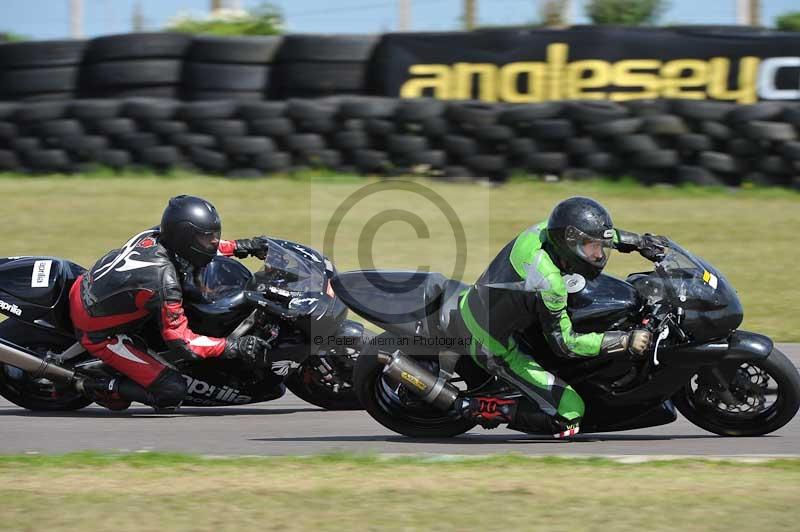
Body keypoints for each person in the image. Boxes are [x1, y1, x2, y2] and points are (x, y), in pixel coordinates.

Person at [457, 196, 668, 438]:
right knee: (570, 415)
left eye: (599, 246)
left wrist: (639, 242)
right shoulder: (549, 283)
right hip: (492, 342)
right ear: (569, 242)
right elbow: (565, 345)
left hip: (494, 306)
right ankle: (479, 407)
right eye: (591, 247)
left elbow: (594, 233)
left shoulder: (546, 230)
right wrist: (623, 341)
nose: (599, 255)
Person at [69, 195, 273, 411]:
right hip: (98, 333)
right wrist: (233, 346)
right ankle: (95, 383)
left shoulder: (157, 235)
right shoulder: (163, 281)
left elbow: (202, 247)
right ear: (184, 238)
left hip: (91, 289)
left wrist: (242, 246)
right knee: (171, 391)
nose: (213, 241)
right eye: (208, 237)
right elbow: (183, 342)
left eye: (214, 235)